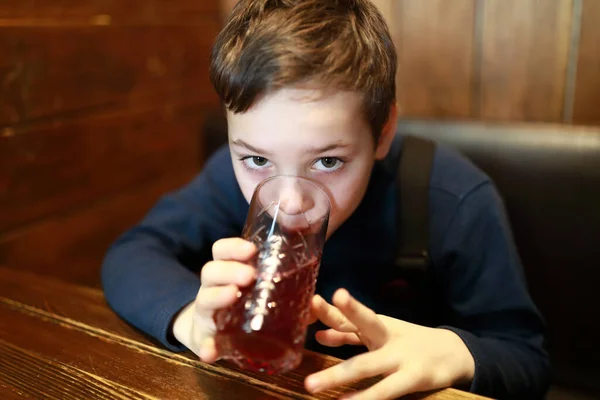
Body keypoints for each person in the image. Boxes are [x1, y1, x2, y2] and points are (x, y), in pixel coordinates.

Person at [101, 1, 550, 398]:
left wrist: (457, 352)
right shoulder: (226, 176)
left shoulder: (452, 198)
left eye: (328, 162)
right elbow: (132, 253)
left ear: (383, 132)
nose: (290, 201)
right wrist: (189, 317)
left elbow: (527, 360)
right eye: (257, 159)